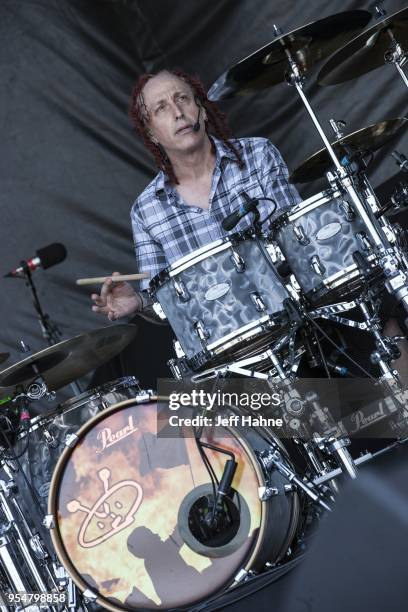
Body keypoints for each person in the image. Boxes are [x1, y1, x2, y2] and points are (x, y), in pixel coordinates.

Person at [91, 69, 300, 322]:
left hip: (296, 313)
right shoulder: (146, 211)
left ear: (200, 109)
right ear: (151, 134)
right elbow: (164, 303)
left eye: (182, 99)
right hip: (230, 347)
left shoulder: (258, 155)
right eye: (161, 109)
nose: (178, 113)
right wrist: (139, 302)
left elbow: (297, 237)